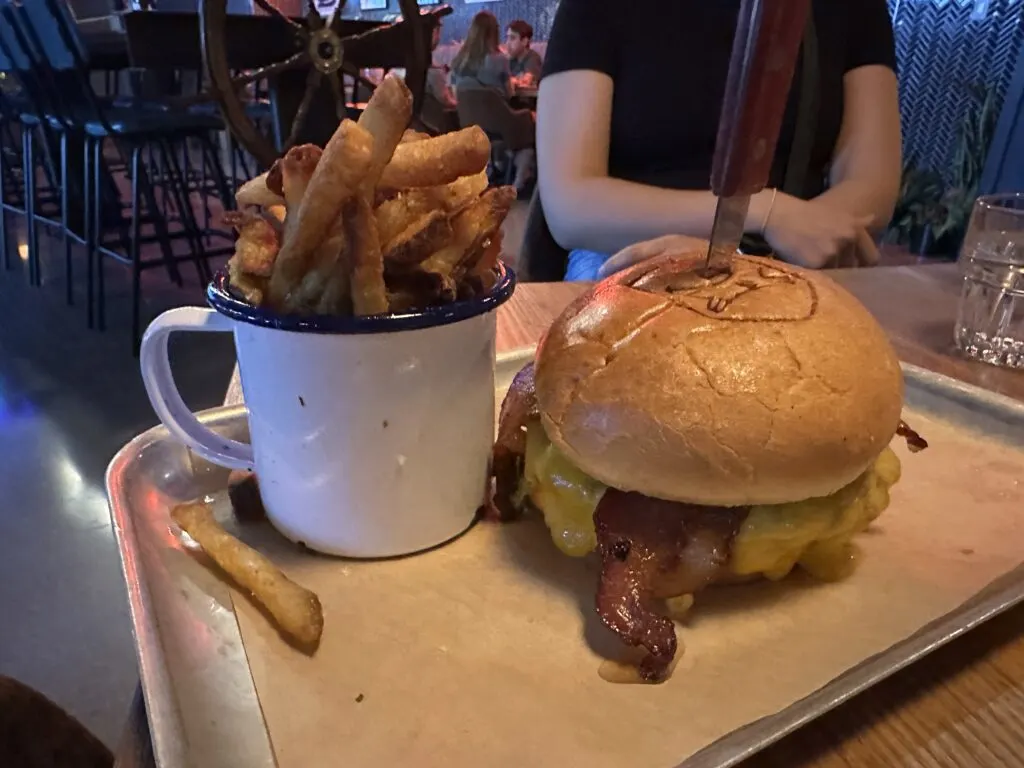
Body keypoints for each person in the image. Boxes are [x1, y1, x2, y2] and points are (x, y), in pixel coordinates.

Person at [536, 0, 902, 280]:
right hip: (627, 250)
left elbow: (872, 182)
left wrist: (757, 259)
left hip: (791, 261)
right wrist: (760, 214)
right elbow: (570, 204)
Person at [451, 11, 513, 99]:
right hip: (495, 111)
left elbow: (455, 95)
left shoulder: (458, 61)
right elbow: (510, 93)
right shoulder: (501, 60)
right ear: (494, 33)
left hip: (467, 112)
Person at [425, 17, 457, 110]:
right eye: (437, 31)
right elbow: (447, 101)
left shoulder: (396, 70)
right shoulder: (434, 73)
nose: (438, 37)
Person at [506, 20, 543, 89]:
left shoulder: (533, 58)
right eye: (507, 38)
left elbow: (526, 81)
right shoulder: (510, 58)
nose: (507, 43)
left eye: (512, 38)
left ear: (524, 41)